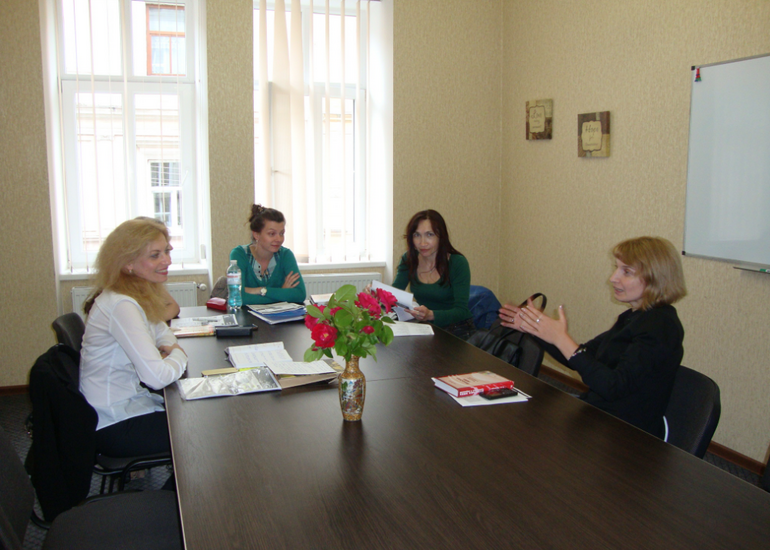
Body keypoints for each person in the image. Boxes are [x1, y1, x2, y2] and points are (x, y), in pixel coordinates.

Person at [498, 236, 686, 439]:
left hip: (627, 435)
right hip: (600, 416)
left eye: (626, 272)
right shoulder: (634, 317)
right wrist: (535, 329)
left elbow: (613, 387)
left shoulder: (661, 326)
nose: (613, 278)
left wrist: (561, 339)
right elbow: (582, 357)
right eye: (616, 268)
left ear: (655, 278)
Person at [79, 218, 188, 458]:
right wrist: (179, 354)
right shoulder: (121, 304)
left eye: (167, 251)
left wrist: (169, 348)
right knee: (202, 429)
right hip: (114, 423)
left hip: (127, 405)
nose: (167, 261)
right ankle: (174, 485)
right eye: (155, 255)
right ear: (128, 262)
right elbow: (157, 377)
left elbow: (161, 331)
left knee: (195, 415)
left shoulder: (134, 293)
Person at [392, 210, 474, 339]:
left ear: (441, 237)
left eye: (429, 235)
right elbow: (394, 294)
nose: (422, 243)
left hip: (457, 330)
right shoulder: (409, 259)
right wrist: (377, 293)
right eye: (417, 235)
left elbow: (462, 311)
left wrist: (431, 314)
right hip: (426, 328)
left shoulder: (457, 263)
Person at [230, 204, 306, 305]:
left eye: (281, 233)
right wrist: (281, 293)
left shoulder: (285, 255)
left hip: (279, 315)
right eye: (271, 234)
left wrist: (262, 290)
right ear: (256, 234)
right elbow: (239, 297)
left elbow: (300, 294)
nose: (279, 239)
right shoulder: (240, 255)